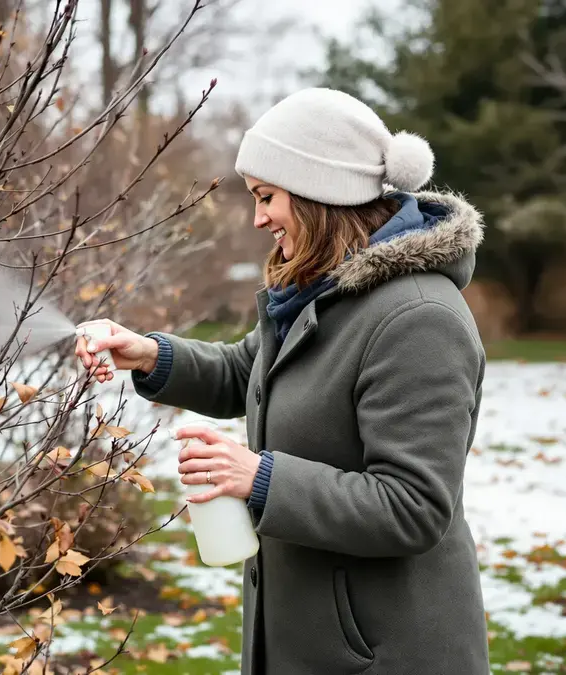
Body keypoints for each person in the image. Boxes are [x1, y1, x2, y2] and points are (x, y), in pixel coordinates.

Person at [74, 88, 490, 674]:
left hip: (386, 655)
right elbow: (250, 373)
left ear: (322, 191)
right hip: (314, 645)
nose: (257, 216)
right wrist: (147, 355)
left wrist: (259, 478)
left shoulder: (418, 320)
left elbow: (414, 506)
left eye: (267, 196)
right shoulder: (324, 293)